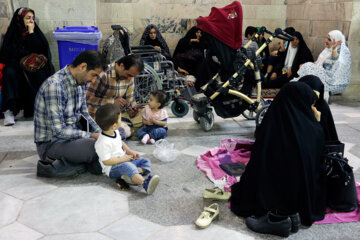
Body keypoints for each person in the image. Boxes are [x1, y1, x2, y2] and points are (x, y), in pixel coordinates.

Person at [230, 82, 326, 237]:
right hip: (305, 198)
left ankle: (278, 219)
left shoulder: (271, 124)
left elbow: (258, 163)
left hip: (271, 193)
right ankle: (294, 216)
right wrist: (316, 122)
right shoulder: (315, 129)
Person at [34, 50, 105, 177]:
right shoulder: (54, 86)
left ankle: (90, 162)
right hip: (52, 144)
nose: (94, 81)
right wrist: (92, 135)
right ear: (83, 67)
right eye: (94, 75)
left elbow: (85, 114)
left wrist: (101, 133)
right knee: (97, 146)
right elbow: (59, 131)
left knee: (114, 135)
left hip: (73, 138)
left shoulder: (79, 83)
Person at [0, 7, 54, 126]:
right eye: (28, 18)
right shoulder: (12, 35)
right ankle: (9, 111)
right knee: (9, 73)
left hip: (32, 68)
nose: (31, 21)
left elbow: (40, 51)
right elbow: (6, 55)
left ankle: (42, 109)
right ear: (20, 19)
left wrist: (31, 33)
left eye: (33, 18)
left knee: (40, 73)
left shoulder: (35, 33)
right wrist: (21, 61)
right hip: (16, 67)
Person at [94, 103, 160, 194]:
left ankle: (129, 177)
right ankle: (145, 184)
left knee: (145, 161)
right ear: (114, 125)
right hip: (112, 168)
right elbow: (106, 161)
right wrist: (122, 159)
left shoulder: (115, 131)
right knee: (127, 166)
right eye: (120, 119)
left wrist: (130, 152)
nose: (121, 120)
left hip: (123, 160)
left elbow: (120, 142)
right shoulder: (102, 142)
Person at [86, 55, 144, 137]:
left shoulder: (130, 78)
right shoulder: (103, 73)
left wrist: (132, 110)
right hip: (98, 116)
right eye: (128, 75)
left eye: (132, 76)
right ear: (121, 66)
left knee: (150, 113)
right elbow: (87, 99)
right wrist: (111, 102)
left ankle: (121, 130)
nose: (129, 79)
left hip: (116, 116)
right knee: (122, 132)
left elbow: (130, 101)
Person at [294, 30, 351, 95]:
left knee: (308, 66)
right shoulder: (327, 50)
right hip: (324, 76)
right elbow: (318, 64)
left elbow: (336, 64)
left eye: (329, 40)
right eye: (326, 38)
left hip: (334, 83)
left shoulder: (343, 53)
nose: (326, 41)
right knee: (306, 67)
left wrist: (334, 49)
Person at [299, 75, 339, 143]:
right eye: (311, 94)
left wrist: (317, 120)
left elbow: (325, 132)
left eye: (316, 96)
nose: (313, 99)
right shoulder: (295, 105)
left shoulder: (322, 106)